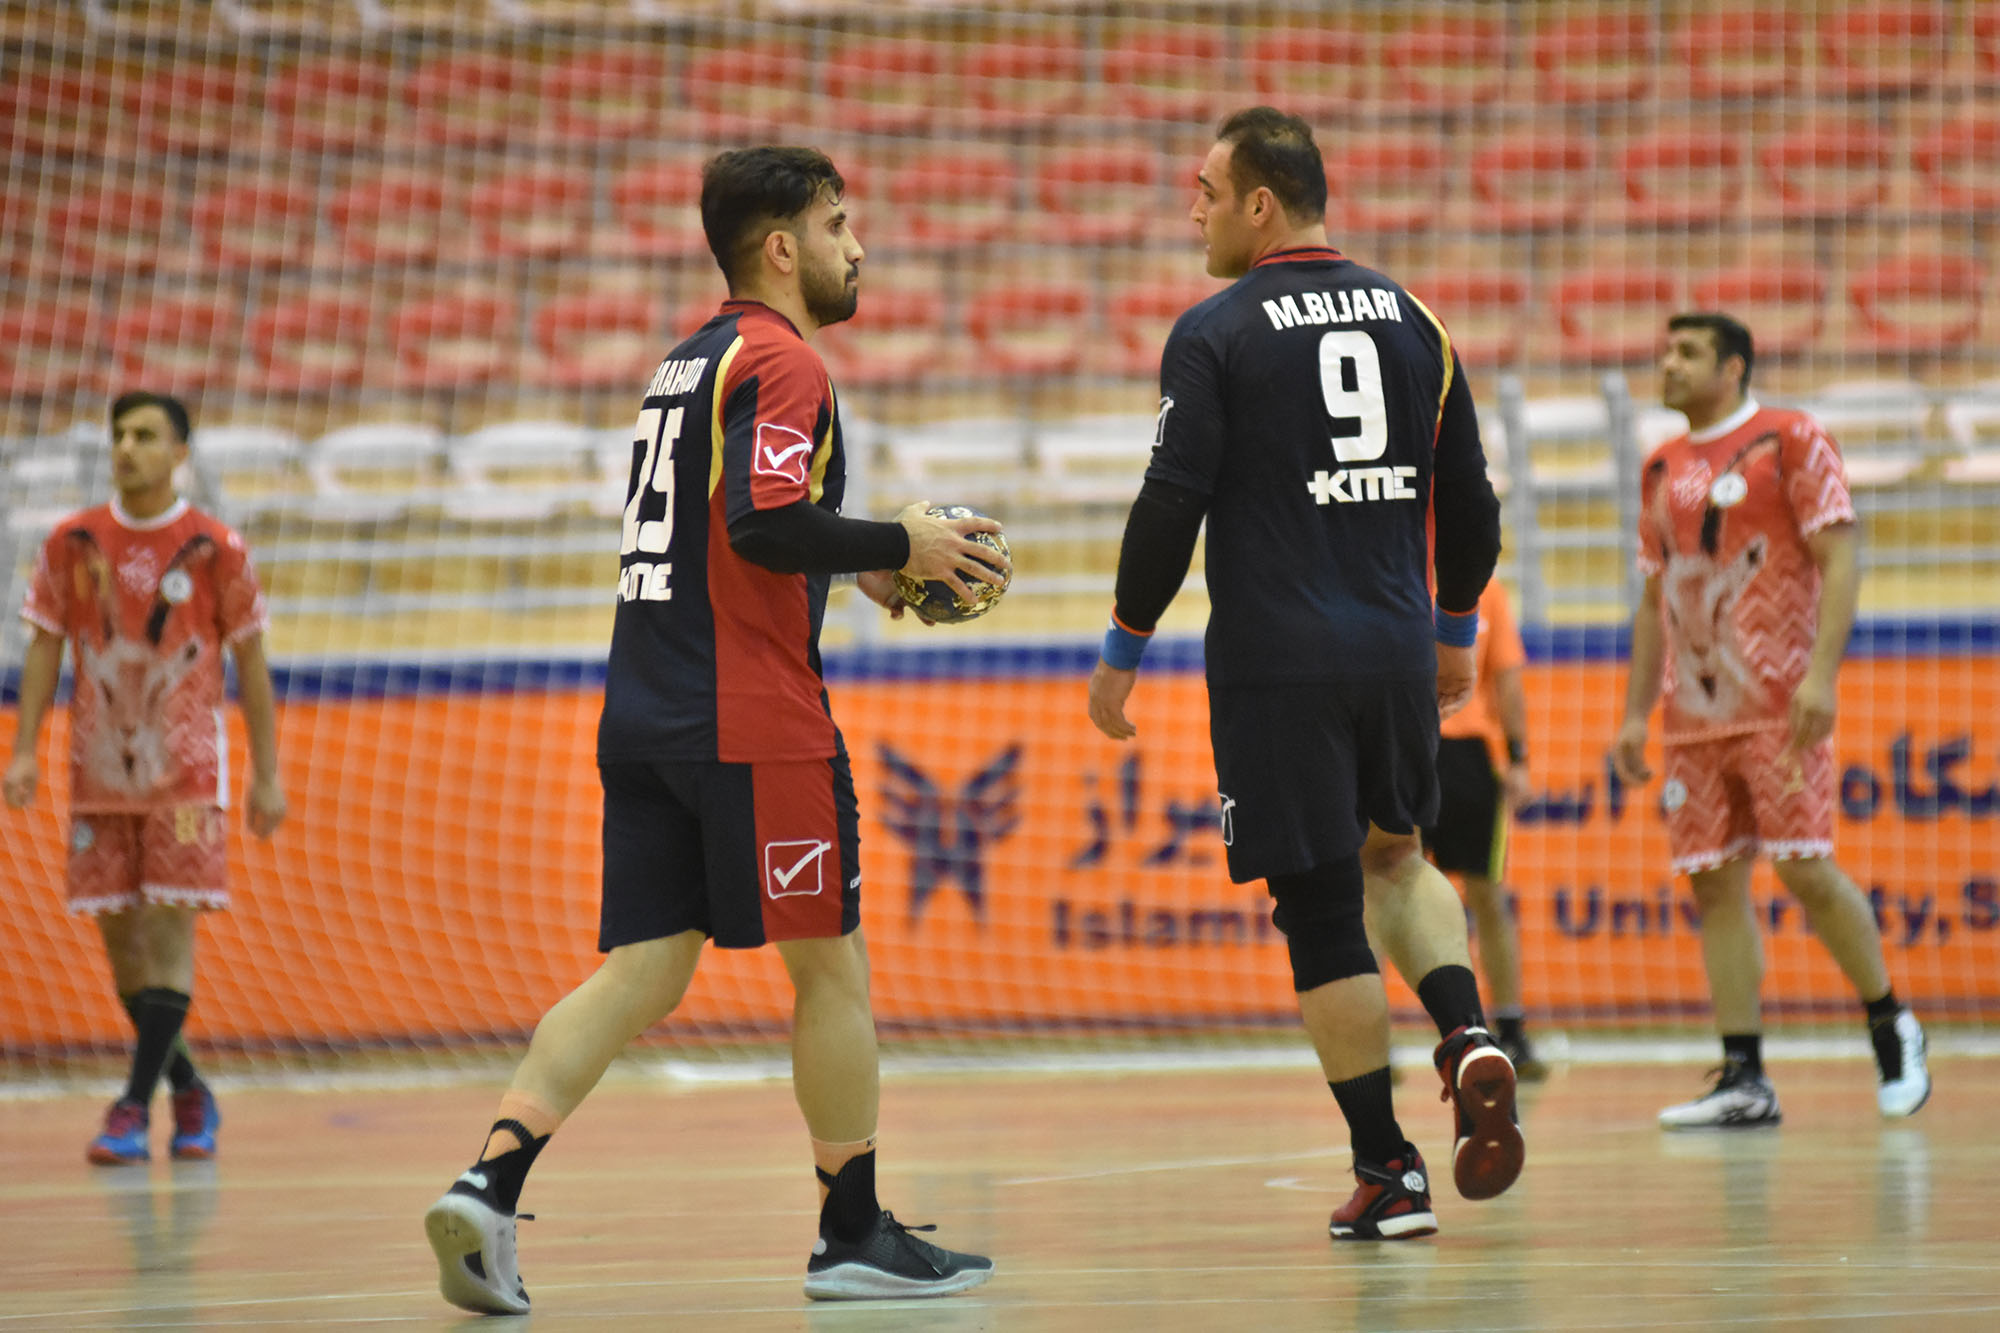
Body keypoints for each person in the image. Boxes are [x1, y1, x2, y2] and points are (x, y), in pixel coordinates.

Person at [421, 146, 1003, 1315]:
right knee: (829, 964)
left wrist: (859, 571)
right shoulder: (784, 359)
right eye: (837, 225)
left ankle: (487, 1184)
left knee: (641, 968)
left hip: (643, 711)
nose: (856, 247)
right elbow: (762, 520)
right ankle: (851, 1232)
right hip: (748, 718)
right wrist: (899, 542)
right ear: (781, 246)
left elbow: (732, 529)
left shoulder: (685, 363)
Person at [1085, 107, 1519, 1242]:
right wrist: (1455, 631)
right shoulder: (1416, 319)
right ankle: (1469, 1030)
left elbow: (1170, 500)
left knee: (1320, 906)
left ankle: (1388, 1169)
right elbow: (1471, 504)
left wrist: (1123, 645)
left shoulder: (1214, 331)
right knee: (1399, 856)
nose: (1193, 210)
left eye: (1205, 190)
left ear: (1260, 203)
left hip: (1278, 660)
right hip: (1393, 646)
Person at [1612, 312, 1930, 1129]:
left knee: (1804, 868)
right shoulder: (1659, 465)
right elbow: (1653, 599)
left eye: (1688, 351)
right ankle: (1745, 1075)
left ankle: (1891, 1023)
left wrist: (1821, 676)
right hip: (1692, 717)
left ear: (1734, 366)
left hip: (1778, 706)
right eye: (1666, 349)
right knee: (1714, 884)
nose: (1668, 362)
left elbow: (1840, 554)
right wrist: (1634, 714)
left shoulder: (1791, 437)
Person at [4, 390, 287, 1164]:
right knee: (123, 951)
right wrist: (25, 749)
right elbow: (44, 643)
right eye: (119, 434)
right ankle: (189, 1086)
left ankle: (131, 1105)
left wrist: (266, 773)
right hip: (98, 777)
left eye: (144, 435)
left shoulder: (217, 546)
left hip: (185, 778)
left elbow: (251, 660)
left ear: (179, 452)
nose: (126, 447)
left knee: (166, 940)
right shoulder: (71, 541)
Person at [1419, 578, 1547, 1079]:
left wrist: (1518, 757)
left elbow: (1507, 678)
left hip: (1458, 755)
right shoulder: (1404, 572)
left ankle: (1510, 1028)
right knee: (1395, 891)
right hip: (1419, 746)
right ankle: (1507, 1032)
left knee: (1483, 895)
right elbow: (1508, 680)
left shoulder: (1483, 588)